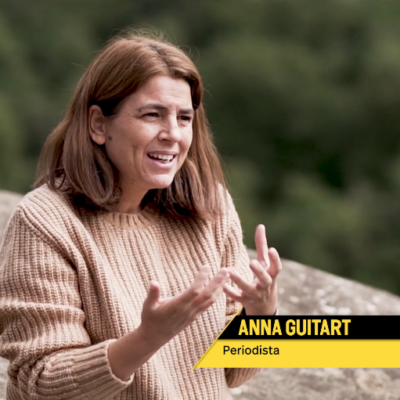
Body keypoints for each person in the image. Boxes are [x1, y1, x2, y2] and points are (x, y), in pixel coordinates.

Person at [0, 31, 281, 400]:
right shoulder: (46, 222)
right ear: (98, 125)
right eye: (153, 115)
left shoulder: (209, 207)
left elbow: (234, 372)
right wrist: (147, 339)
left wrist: (262, 315)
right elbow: (42, 381)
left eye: (184, 118)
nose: (173, 135)